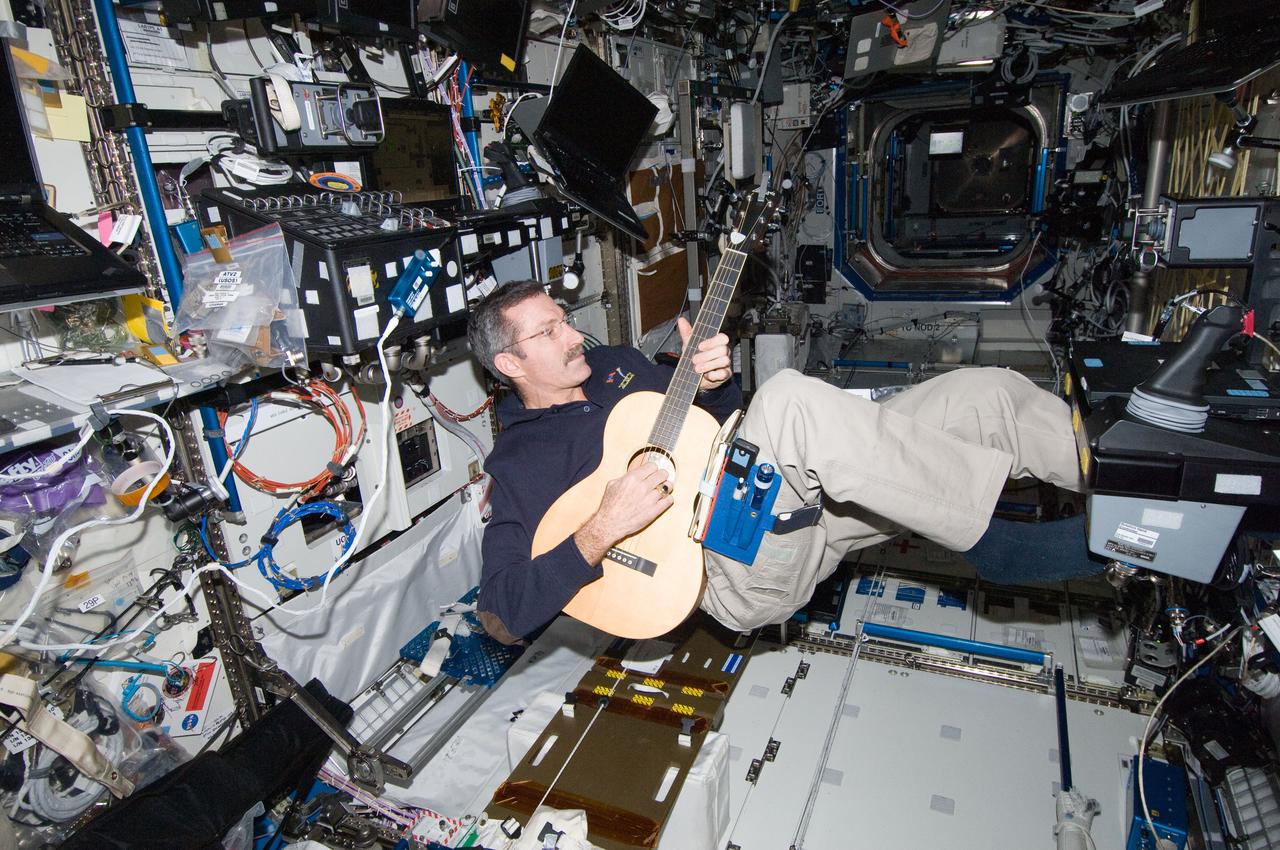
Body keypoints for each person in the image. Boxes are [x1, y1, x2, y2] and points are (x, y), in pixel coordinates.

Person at [468, 280, 1084, 644]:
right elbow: (499, 612)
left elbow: (715, 425)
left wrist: (717, 382)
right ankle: (996, 544)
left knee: (981, 396)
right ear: (509, 364)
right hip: (725, 566)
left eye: (564, 321)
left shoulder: (615, 365)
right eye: (547, 334)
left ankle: (1132, 497)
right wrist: (603, 526)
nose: (574, 335)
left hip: (782, 504)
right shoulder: (518, 462)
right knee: (789, 399)